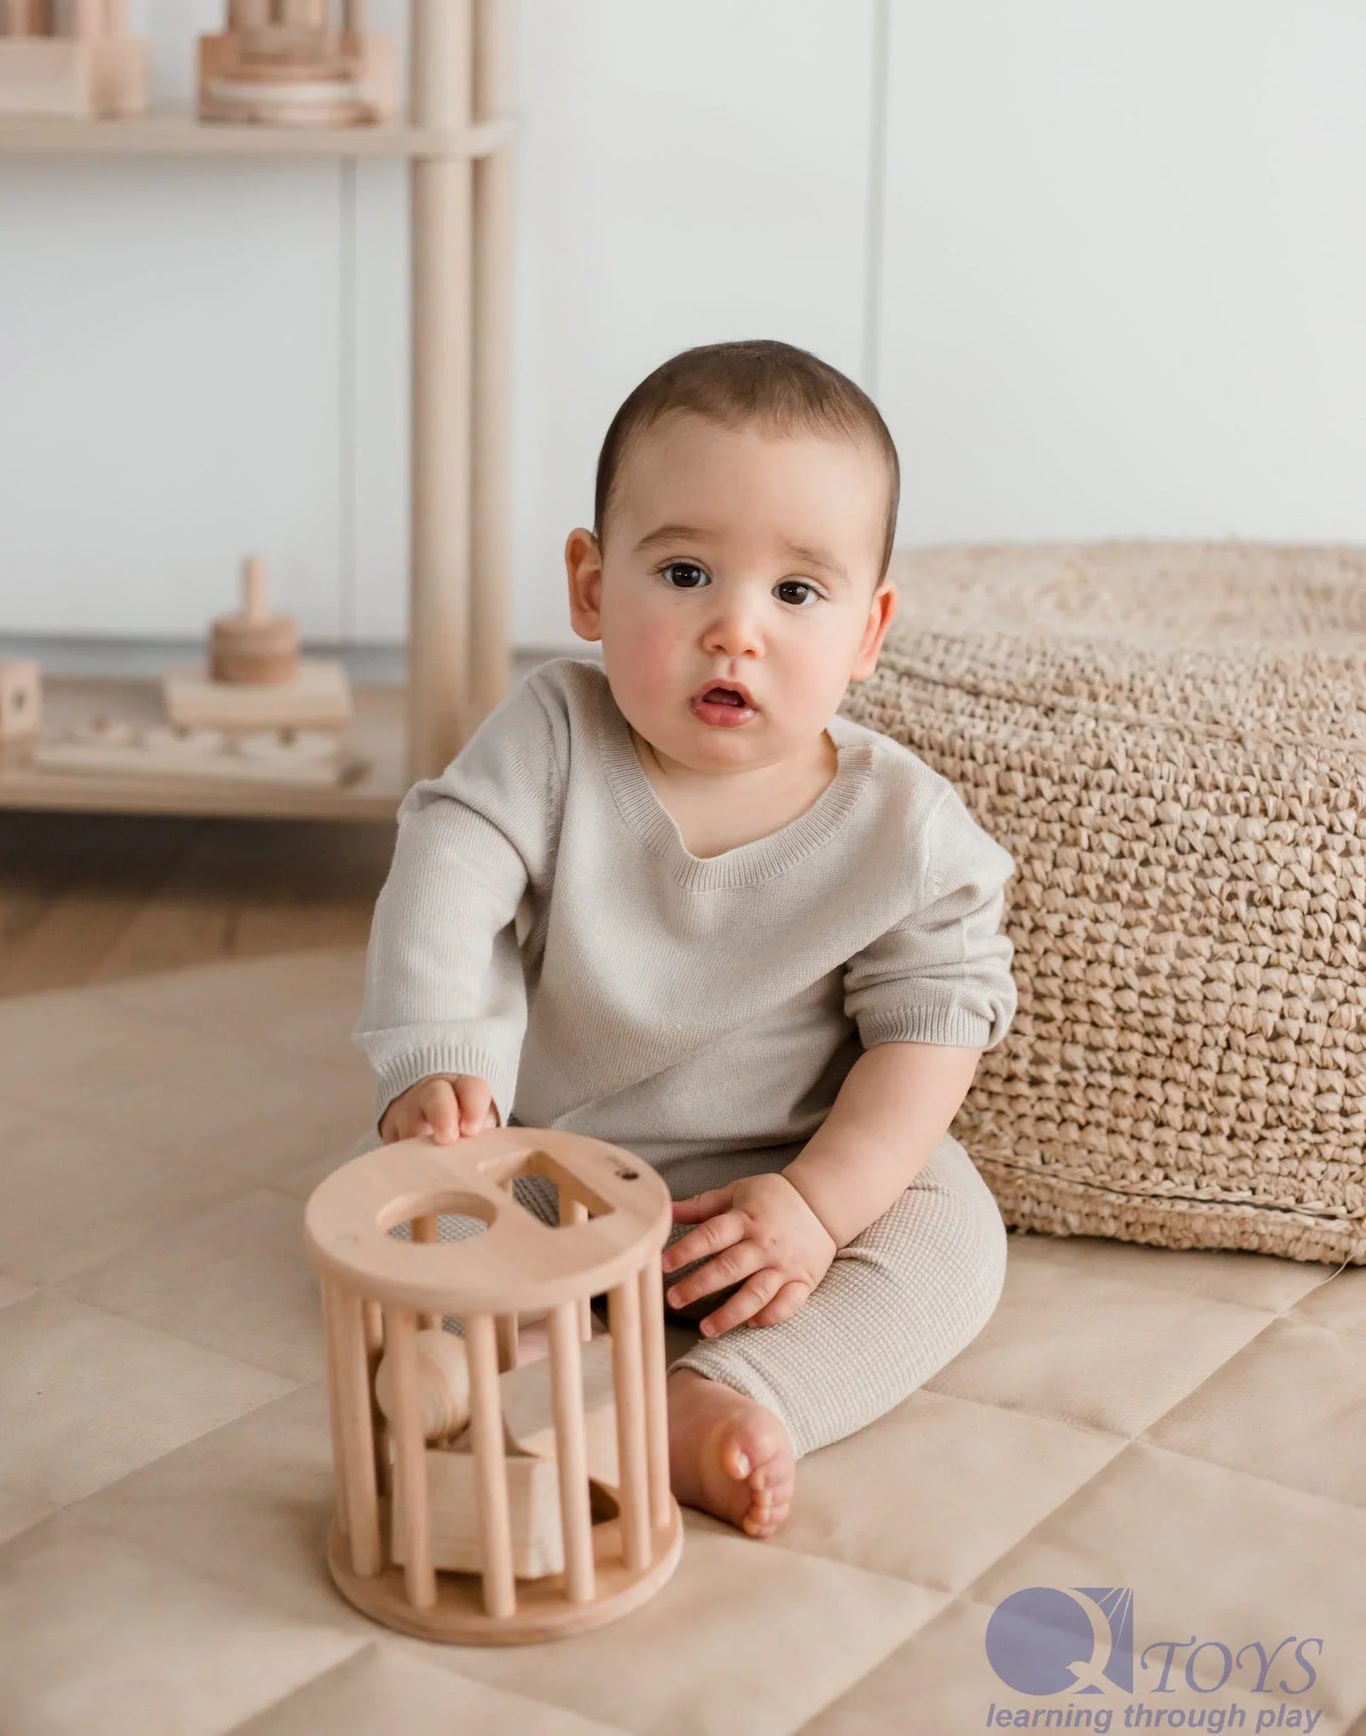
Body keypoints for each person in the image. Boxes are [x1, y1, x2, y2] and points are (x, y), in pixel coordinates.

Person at [352, 338, 1016, 1539]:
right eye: (686, 572)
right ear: (593, 586)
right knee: (426, 1205)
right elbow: (447, 867)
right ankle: (489, 1365)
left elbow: (933, 1028)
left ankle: (716, 1400)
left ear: (868, 633)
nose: (734, 630)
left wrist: (819, 1205)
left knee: (951, 1231)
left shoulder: (901, 827)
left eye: (794, 593)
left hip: (782, 1160)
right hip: (554, 1165)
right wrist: (437, 1057)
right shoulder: (552, 732)